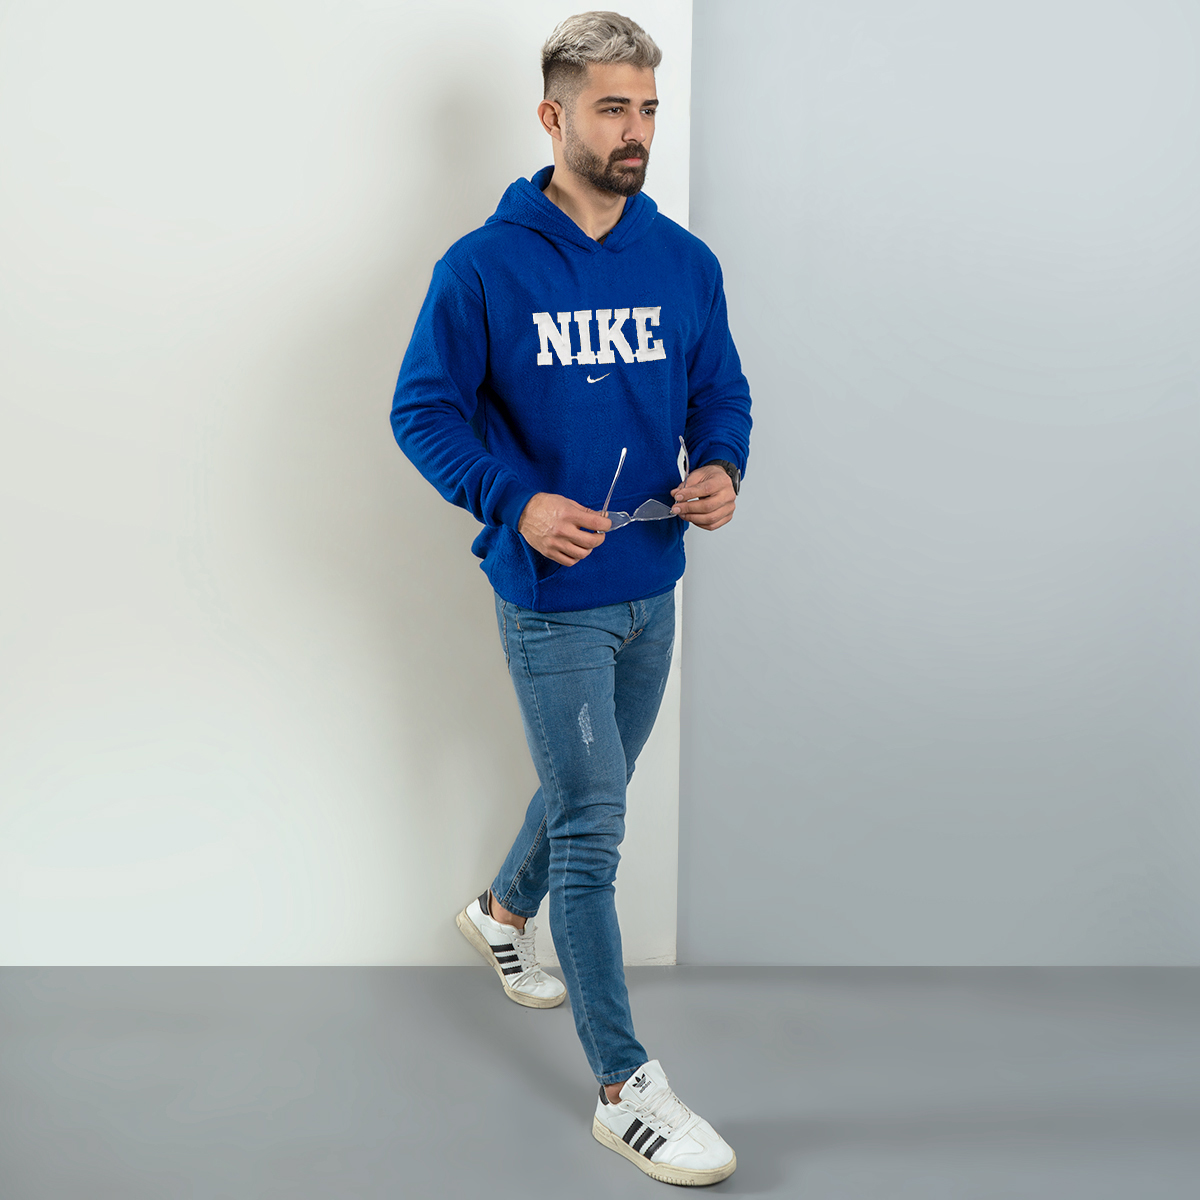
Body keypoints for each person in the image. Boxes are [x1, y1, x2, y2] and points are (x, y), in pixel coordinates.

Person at [390, 11, 750, 1187]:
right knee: (594, 829)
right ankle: (625, 1091)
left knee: (592, 786)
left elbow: (721, 391)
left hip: (654, 584)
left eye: (647, 108)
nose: (636, 130)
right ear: (553, 117)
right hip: (551, 596)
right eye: (611, 108)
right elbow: (422, 412)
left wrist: (722, 466)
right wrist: (516, 501)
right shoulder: (482, 267)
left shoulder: (683, 262)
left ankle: (501, 912)